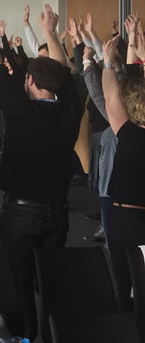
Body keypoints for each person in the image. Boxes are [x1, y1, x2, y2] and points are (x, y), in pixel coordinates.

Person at [0, 3, 81, 340]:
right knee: (53, 281)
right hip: (57, 213)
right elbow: (63, 74)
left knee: (18, 282)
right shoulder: (70, 112)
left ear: (30, 80)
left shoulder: (20, 111)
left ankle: (26, 337)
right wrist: (51, 33)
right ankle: (54, 335)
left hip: (20, 213)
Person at [99, 33, 145, 310]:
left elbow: (110, 94)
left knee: (124, 286)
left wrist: (107, 62)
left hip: (124, 218)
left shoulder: (128, 135)